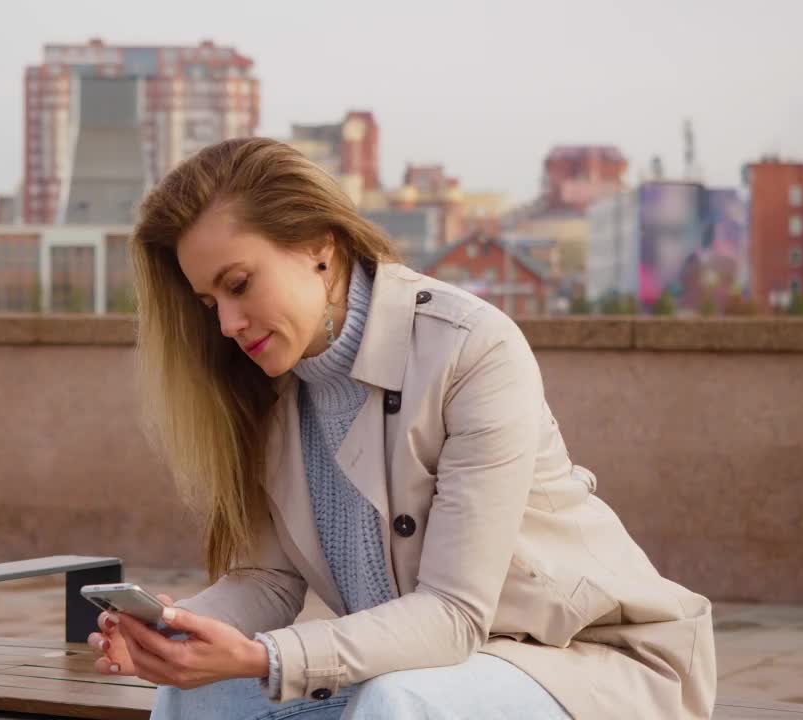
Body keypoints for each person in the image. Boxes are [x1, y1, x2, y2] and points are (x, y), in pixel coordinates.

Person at [87, 137, 717, 719]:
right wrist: (173, 628)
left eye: (239, 285)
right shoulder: (264, 388)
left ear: (318, 246)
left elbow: (453, 614)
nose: (226, 323)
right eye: (208, 303)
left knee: (398, 703)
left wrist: (268, 658)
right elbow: (269, 580)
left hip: (590, 664)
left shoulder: (472, 350)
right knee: (192, 702)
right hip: (428, 668)